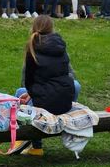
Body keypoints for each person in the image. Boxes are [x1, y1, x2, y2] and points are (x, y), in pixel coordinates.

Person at [14, 15, 77, 155]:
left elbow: (28, 81)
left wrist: (30, 93)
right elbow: (68, 73)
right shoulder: (60, 46)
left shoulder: (32, 47)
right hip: (65, 102)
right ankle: (32, 145)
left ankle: (26, 141)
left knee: (19, 94)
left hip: (46, 104)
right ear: (52, 28)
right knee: (30, 94)